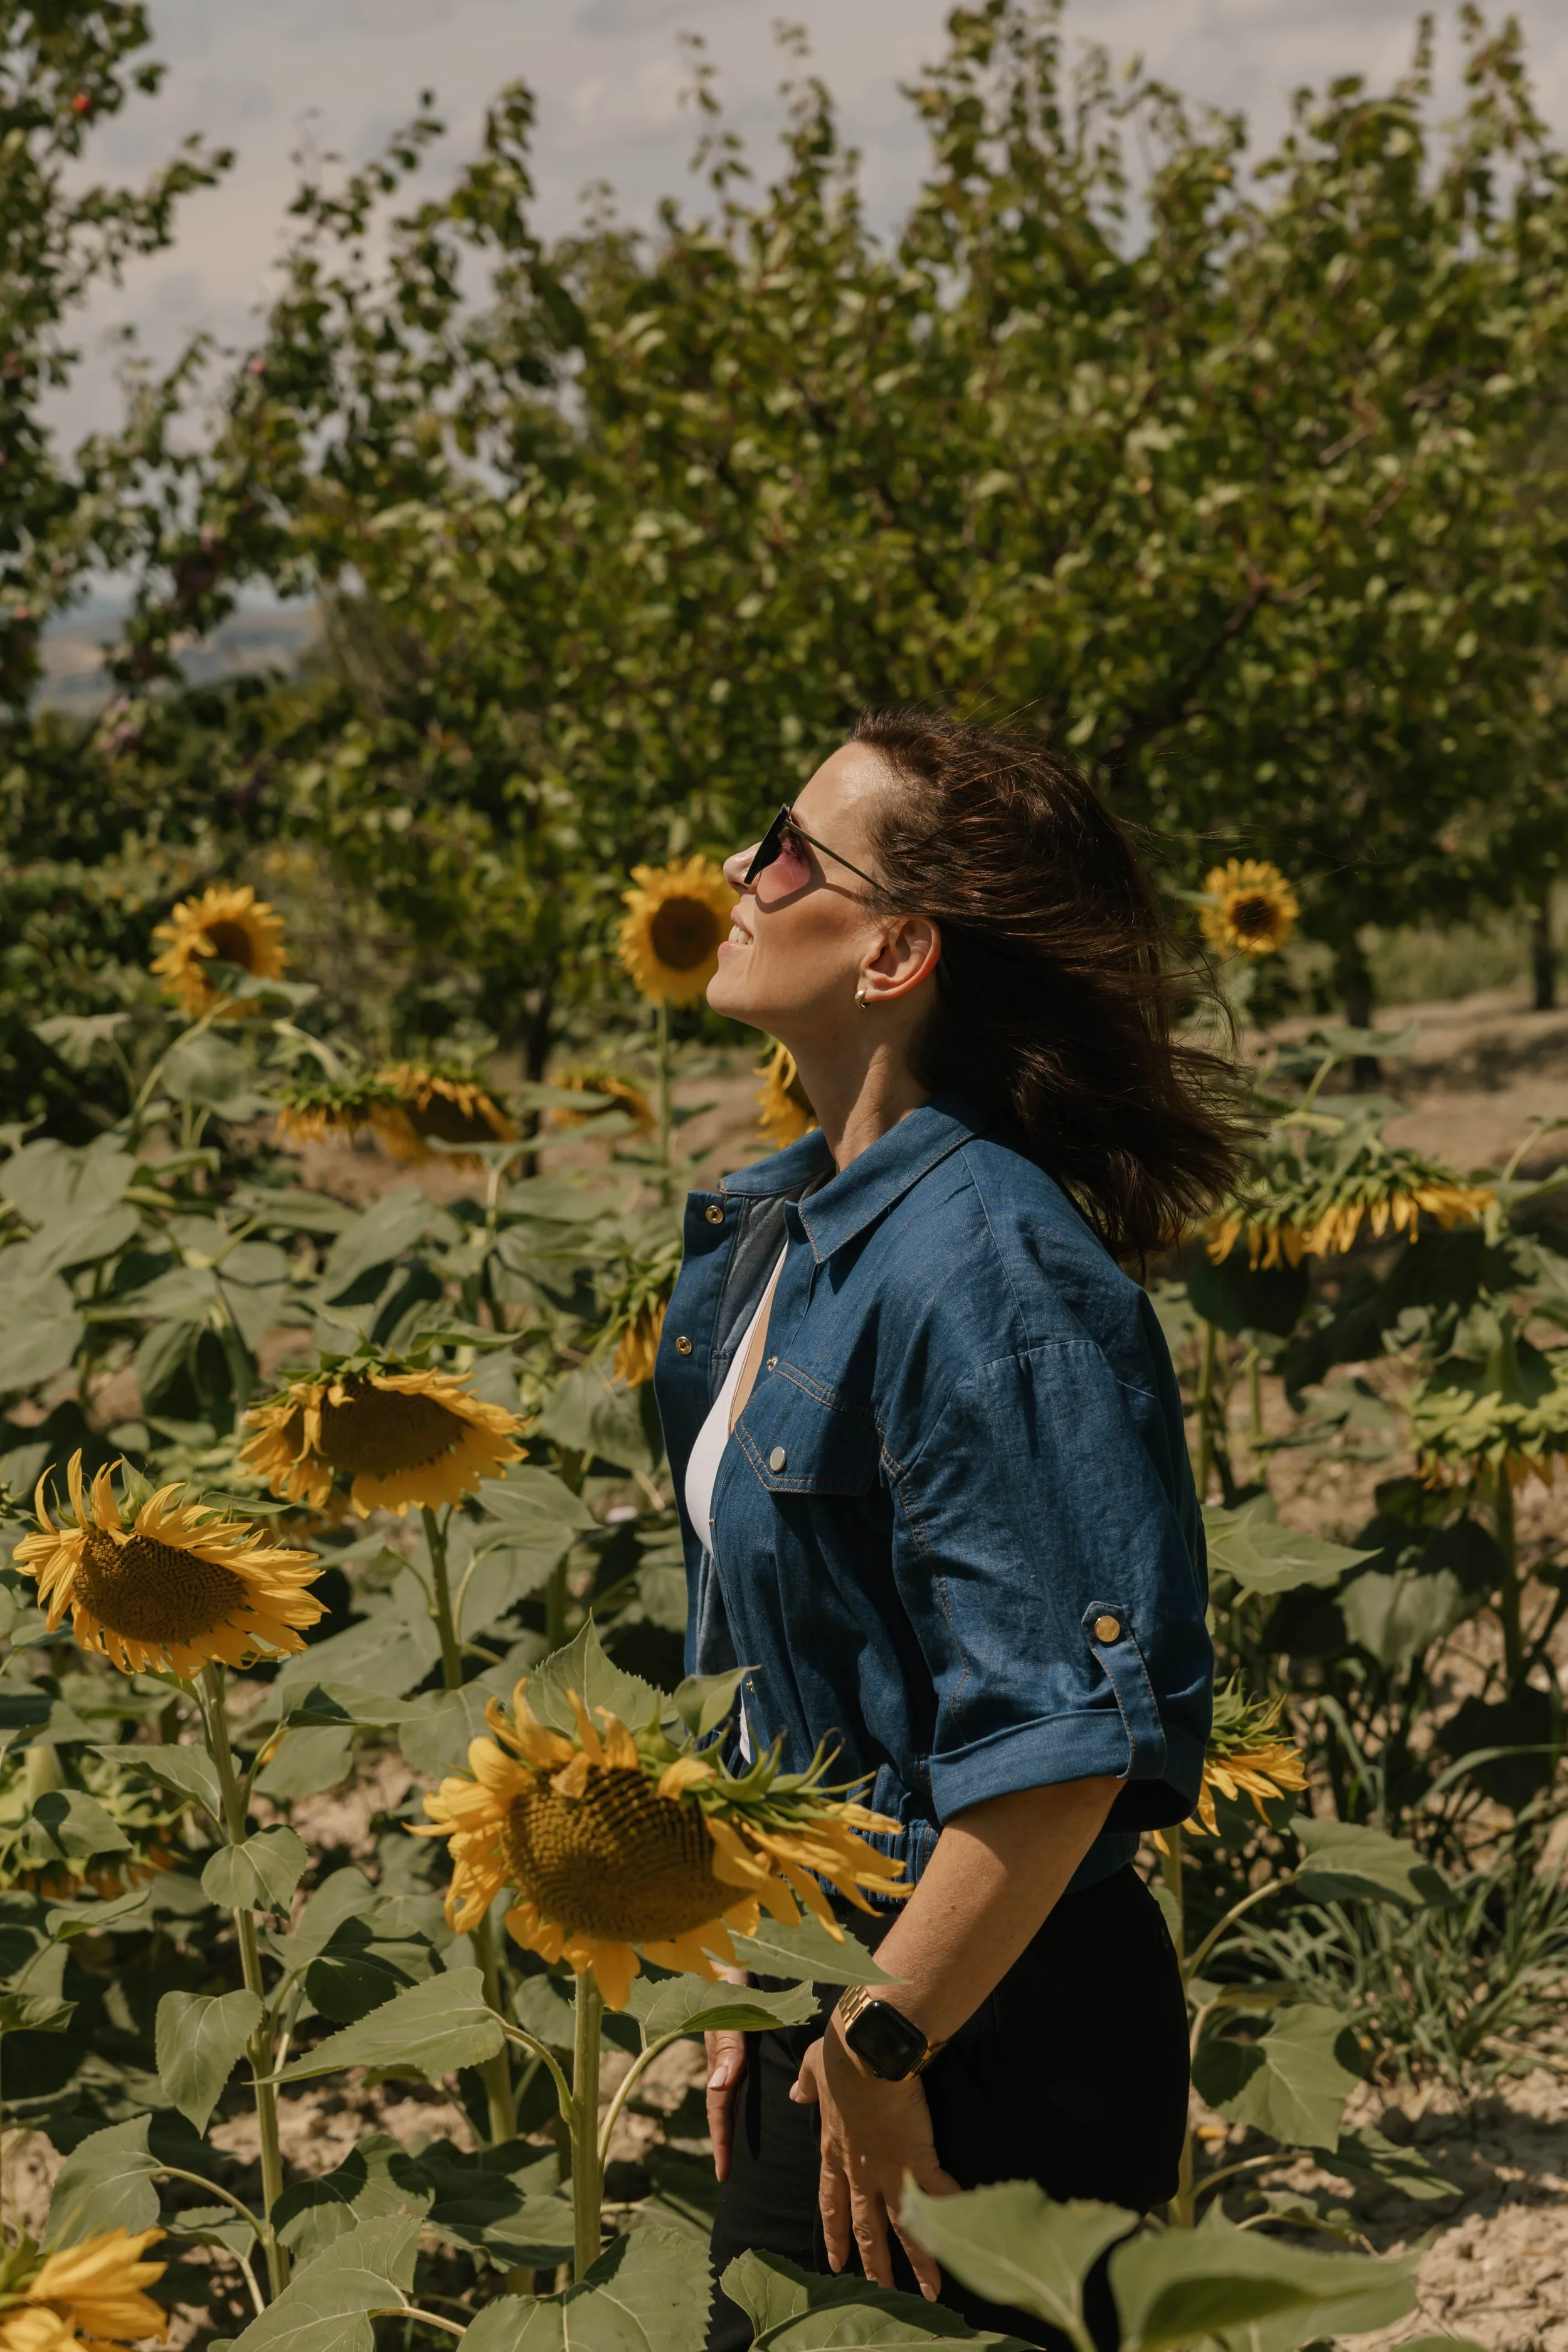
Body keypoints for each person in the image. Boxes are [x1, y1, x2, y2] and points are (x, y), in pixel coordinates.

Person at [650, 711, 1239, 2349]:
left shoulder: (990, 1272)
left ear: (896, 948)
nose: (734, 873)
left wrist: (876, 2042)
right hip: (828, 1984)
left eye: (783, 847)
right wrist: (747, 1973)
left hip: (976, 2022)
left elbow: (1061, 1742)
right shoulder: (781, 1231)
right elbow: (783, 1662)